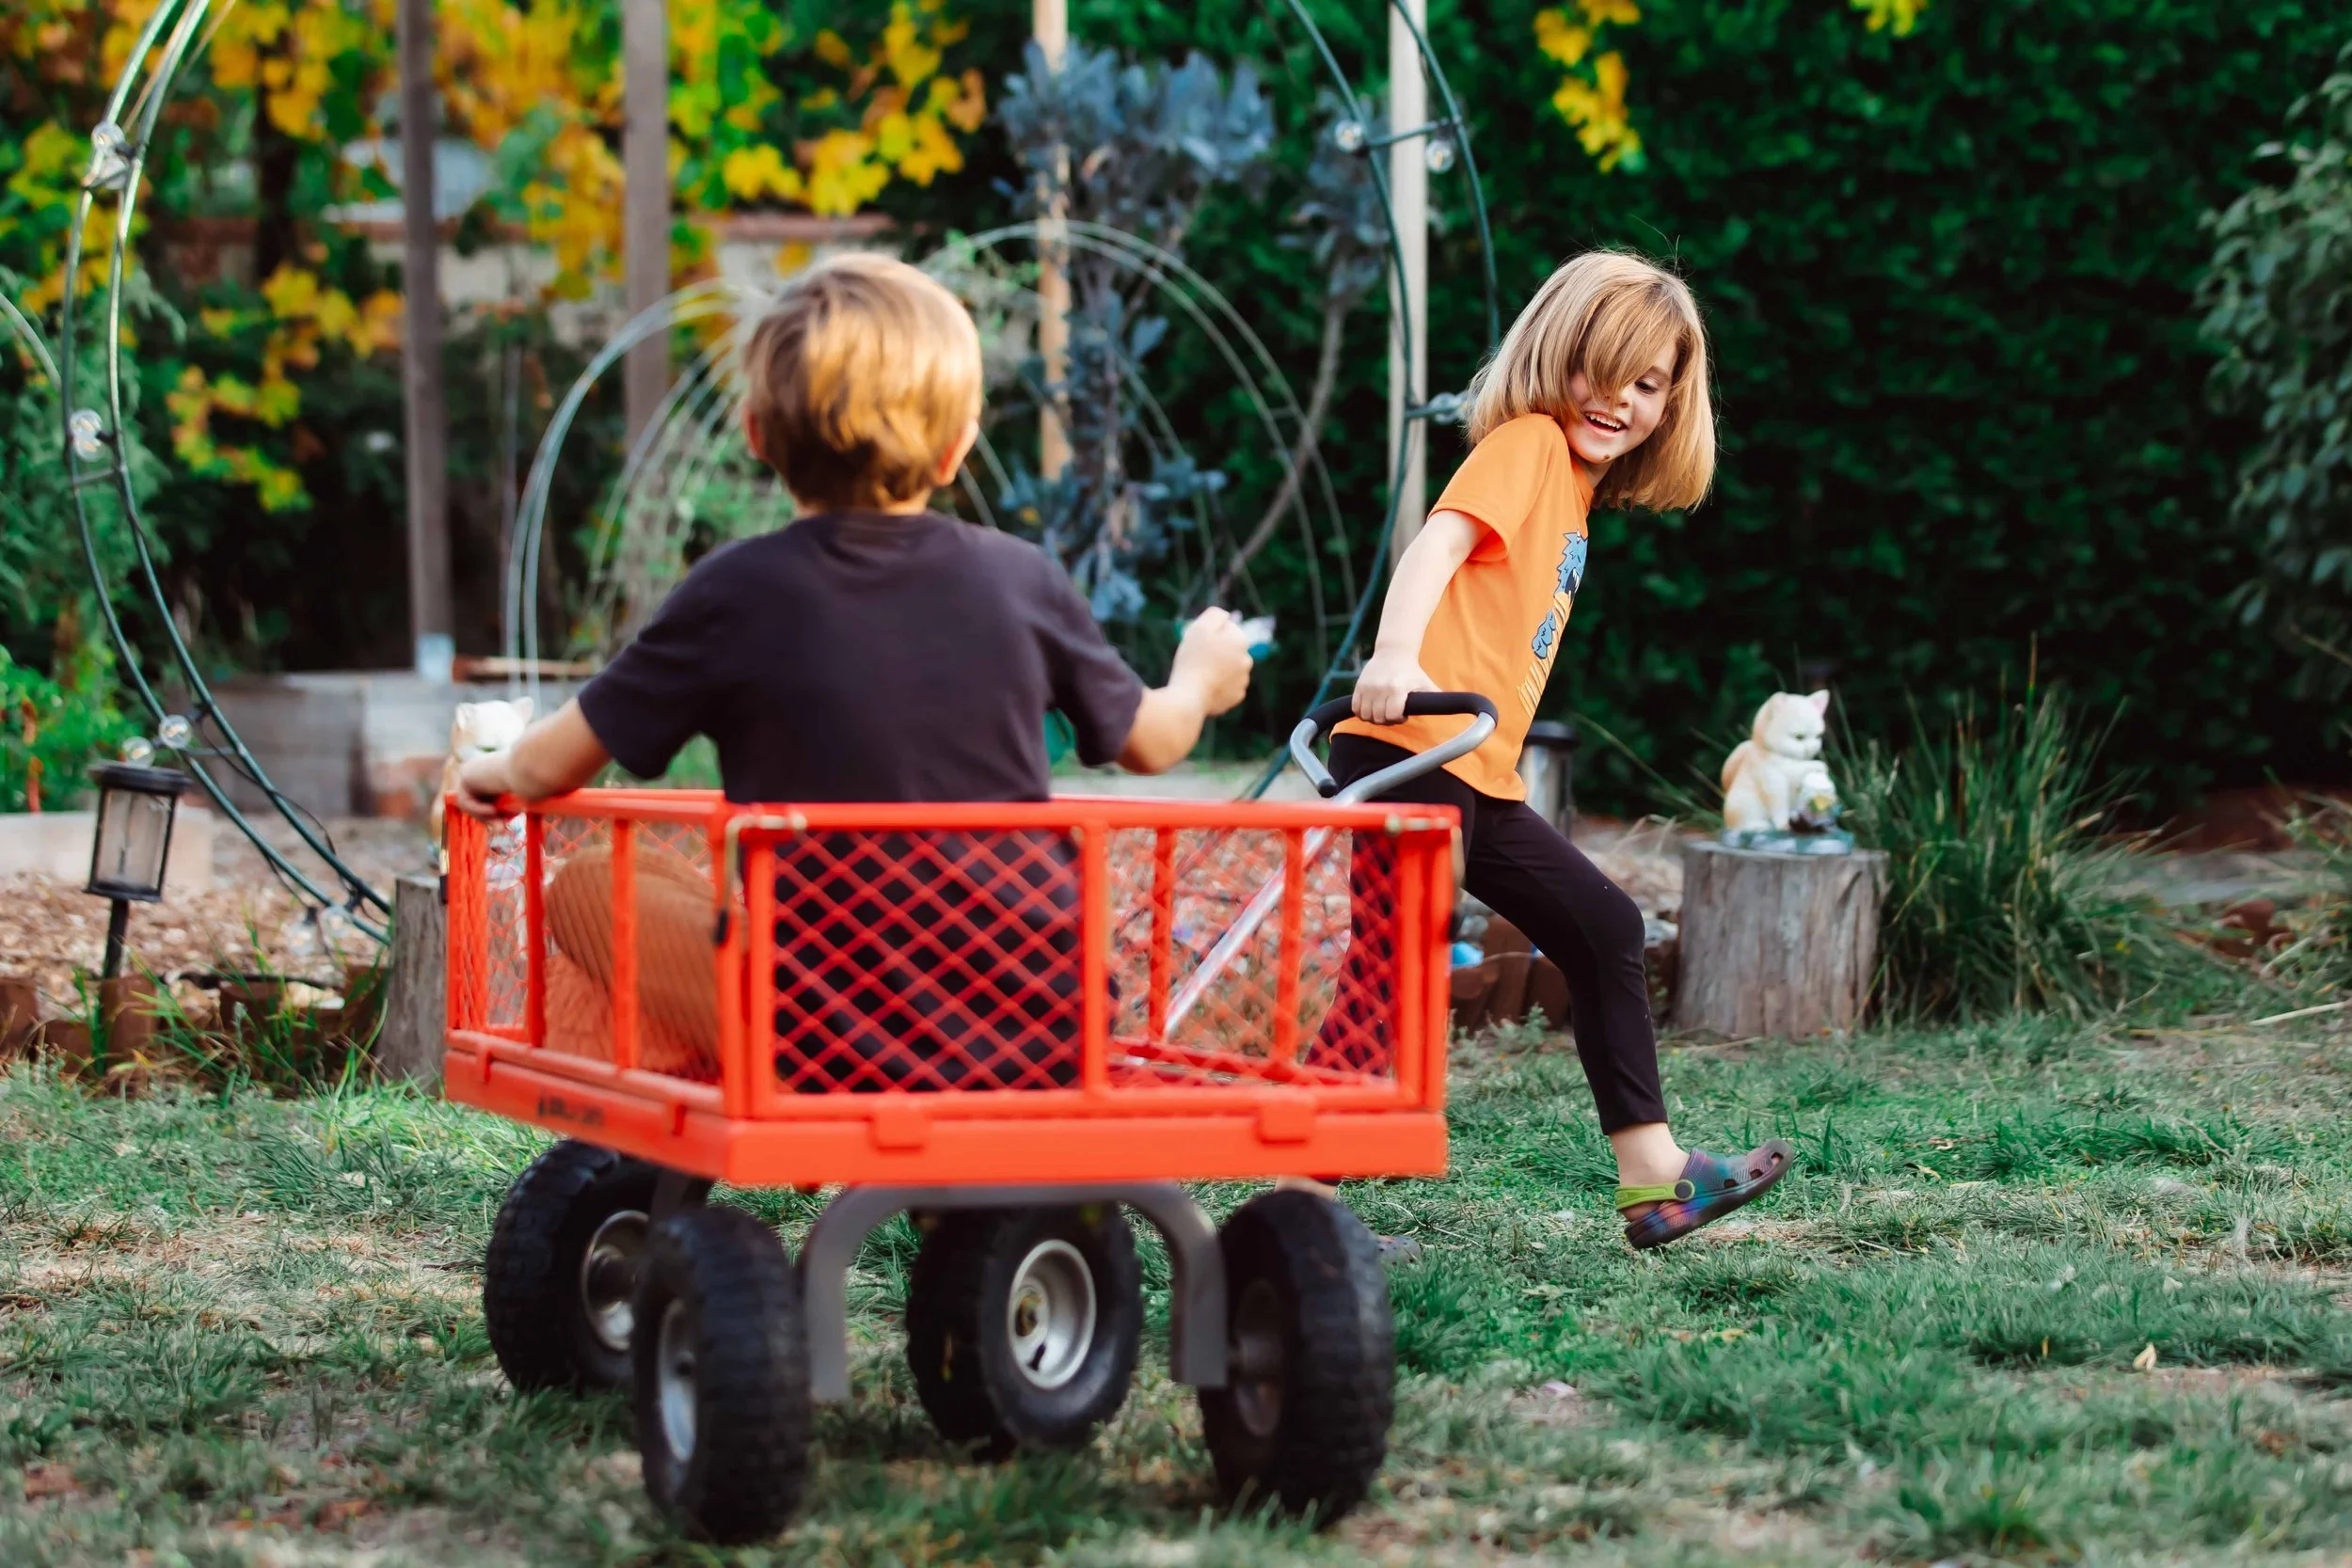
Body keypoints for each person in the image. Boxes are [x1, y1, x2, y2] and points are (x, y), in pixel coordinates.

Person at [453, 252, 1255, 1082]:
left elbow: (553, 763)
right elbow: (1153, 741)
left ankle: (710, 1062)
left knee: (594, 881)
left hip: (819, 1036)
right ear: (956, 449)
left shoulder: (733, 592)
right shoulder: (1022, 579)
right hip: (1040, 1025)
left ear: (757, 434)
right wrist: (1198, 677)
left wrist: (494, 770)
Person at [1322, 252, 1794, 1249]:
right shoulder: (1529, 444)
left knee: (1602, 925)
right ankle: (1300, 1192)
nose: (1620, 399)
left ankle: (1653, 1174)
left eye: (1649, 383)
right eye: (1602, 367)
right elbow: (1438, 543)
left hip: (1472, 772)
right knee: (1391, 965)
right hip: (1410, 750)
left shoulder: (1575, 491)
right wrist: (1395, 654)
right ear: (1554, 356)